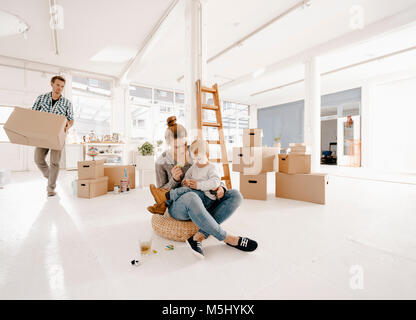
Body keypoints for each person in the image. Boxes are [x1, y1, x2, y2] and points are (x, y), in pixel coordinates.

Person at [148, 116, 258, 258]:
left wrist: (221, 189)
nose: (182, 150)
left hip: (205, 197)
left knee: (236, 195)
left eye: (183, 145)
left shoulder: (195, 150)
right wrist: (174, 180)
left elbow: (211, 172)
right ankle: (229, 239)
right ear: (167, 143)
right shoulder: (161, 162)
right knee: (192, 196)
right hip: (180, 205)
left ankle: (198, 236)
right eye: (176, 147)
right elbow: (161, 196)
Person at [32, 75, 74, 197]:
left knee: (55, 162)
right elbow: (33, 113)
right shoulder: (41, 98)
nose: (59, 88)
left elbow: (71, 119)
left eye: (62, 86)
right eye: (57, 85)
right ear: (52, 84)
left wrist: (68, 125)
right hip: (43, 134)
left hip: (58, 135)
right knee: (38, 159)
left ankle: (51, 189)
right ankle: (51, 176)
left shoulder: (67, 103)